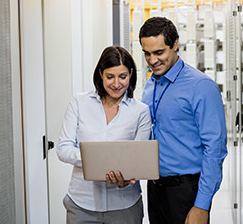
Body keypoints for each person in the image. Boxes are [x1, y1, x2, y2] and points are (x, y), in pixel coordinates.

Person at [139, 17, 228, 224]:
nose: (152, 60)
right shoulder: (152, 83)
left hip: (186, 191)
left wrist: (201, 205)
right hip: (155, 189)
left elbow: (215, 149)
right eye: (147, 54)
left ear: (175, 44)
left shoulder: (201, 87)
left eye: (159, 53)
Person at [57, 46, 151, 224]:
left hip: (124, 206)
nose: (116, 84)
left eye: (122, 77)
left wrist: (127, 174)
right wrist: (97, 161)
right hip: (81, 204)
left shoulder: (141, 112)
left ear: (131, 74)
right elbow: (63, 148)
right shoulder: (79, 102)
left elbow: (139, 159)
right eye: (110, 77)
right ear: (100, 74)